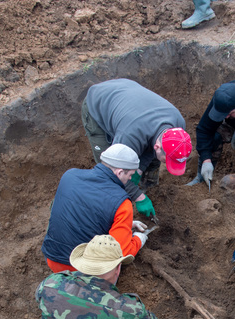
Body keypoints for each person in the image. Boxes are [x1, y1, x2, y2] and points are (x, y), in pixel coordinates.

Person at [82, 78, 192, 219]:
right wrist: (139, 197)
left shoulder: (178, 126)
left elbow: (150, 148)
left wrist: (138, 171)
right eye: (167, 160)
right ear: (158, 146)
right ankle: (109, 210)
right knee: (109, 172)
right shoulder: (130, 136)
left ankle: (146, 188)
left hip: (129, 99)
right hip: (99, 102)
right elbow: (113, 170)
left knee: (141, 166)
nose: (168, 163)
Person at [41, 144, 149, 273]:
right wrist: (138, 240)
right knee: (116, 266)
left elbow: (84, 214)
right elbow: (121, 253)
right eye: (130, 175)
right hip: (82, 270)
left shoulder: (69, 176)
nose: (130, 179)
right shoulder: (122, 203)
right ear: (119, 172)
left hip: (52, 258)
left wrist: (124, 225)